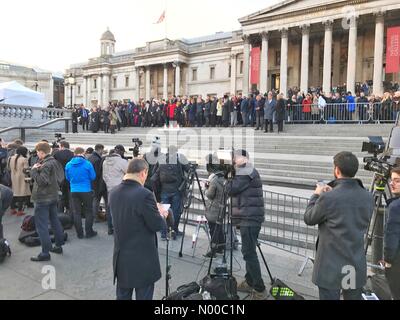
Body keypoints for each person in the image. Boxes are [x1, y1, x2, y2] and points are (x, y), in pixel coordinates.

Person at [304, 152, 374, 300]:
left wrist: (316, 195)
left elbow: (309, 218)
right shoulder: (368, 196)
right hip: (355, 263)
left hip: (330, 267)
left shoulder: (327, 198)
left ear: (337, 170)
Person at [109, 158, 168, 300]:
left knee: (122, 296)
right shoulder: (144, 194)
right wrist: (162, 214)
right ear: (143, 173)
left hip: (121, 258)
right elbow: (157, 225)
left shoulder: (114, 192)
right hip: (142, 260)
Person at [227, 149, 267, 300]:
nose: (233, 160)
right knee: (248, 251)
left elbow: (231, 189)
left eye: (235, 157)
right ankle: (250, 281)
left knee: (249, 253)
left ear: (244, 158)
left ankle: (259, 288)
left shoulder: (246, 170)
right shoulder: (244, 171)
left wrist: (228, 175)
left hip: (250, 218)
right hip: (248, 217)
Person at [30, 142, 65, 262]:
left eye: (38, 152)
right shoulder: (55, 162)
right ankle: (59, 246)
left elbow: (42, 181)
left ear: (41, 152)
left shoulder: (45, 164)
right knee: (55, 221)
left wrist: (34, 171)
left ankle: (45, 252)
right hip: (53, 196)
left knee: (42, 226)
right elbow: (61, 178)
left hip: (42, 199)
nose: (37, 155)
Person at [151, 146, 189, 240]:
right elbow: (189, 169)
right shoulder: (179, 159)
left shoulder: (161, 160)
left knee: (164, 211)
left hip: (164, 190)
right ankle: (174, 231)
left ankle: (164, 233)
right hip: (177, 190)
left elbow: (154, 173)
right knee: (175, 212)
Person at [65, 147, 97, 239]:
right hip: (86, 190)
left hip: (74, 190)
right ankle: (89, 232)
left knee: (76, 212)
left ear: (74, 154)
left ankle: (79, 234)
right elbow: (93, 177)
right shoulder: (87, 164)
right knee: (88, 211)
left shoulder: (68, 164)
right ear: (83, 153)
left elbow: (67, 178)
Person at [382, 167, 400, 300]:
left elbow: (392, 236)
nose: (391, 183)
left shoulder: (395, 207)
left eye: (397, 180)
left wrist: (387, 260)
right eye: (391, 180)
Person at [103, 145, 128, 235]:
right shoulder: (122, 162)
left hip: (109, 187)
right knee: (120, 209)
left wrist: (109, 183)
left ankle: (110, 228)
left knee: (110, 208)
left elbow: (104, 176)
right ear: (120, 152)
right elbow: (129, 173)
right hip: (120, 187)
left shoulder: (105, 162)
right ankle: (119, 229)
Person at [204, 153, 225, 258]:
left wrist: (205, 188)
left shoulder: (215, 179)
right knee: (219, 228)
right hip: (222, 207)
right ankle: (221, 247)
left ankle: (213, 250)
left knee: (213, 229)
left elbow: (210, 195)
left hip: (214, 208)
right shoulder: (225, 177)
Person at [88, 144, 107, 224]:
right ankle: (96, 217)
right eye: (102, 150)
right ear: (99, 149)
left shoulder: (90, 157)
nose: (103, 152)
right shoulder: (97, 159)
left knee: (94, 200)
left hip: (90, 182)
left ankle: (94, 216)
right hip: (96, 183)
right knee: (96, 200)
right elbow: (97, 173)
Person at [54, 141, 74, 215]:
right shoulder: (72, 154)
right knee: (70, 196)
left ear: (62, 146)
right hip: (69, 177)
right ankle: (70, 212)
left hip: (59, 177)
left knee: (61, 196)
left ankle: (59, 213)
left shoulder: (56, 154)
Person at [9, 146, 31, 216]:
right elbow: (26, 170)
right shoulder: (24, 159)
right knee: (21, 193)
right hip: (22, 178)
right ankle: (20, 210)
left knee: (15, 192)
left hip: (13, 177)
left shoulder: (10, 158)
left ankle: (12, 208)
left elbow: (8, 168)